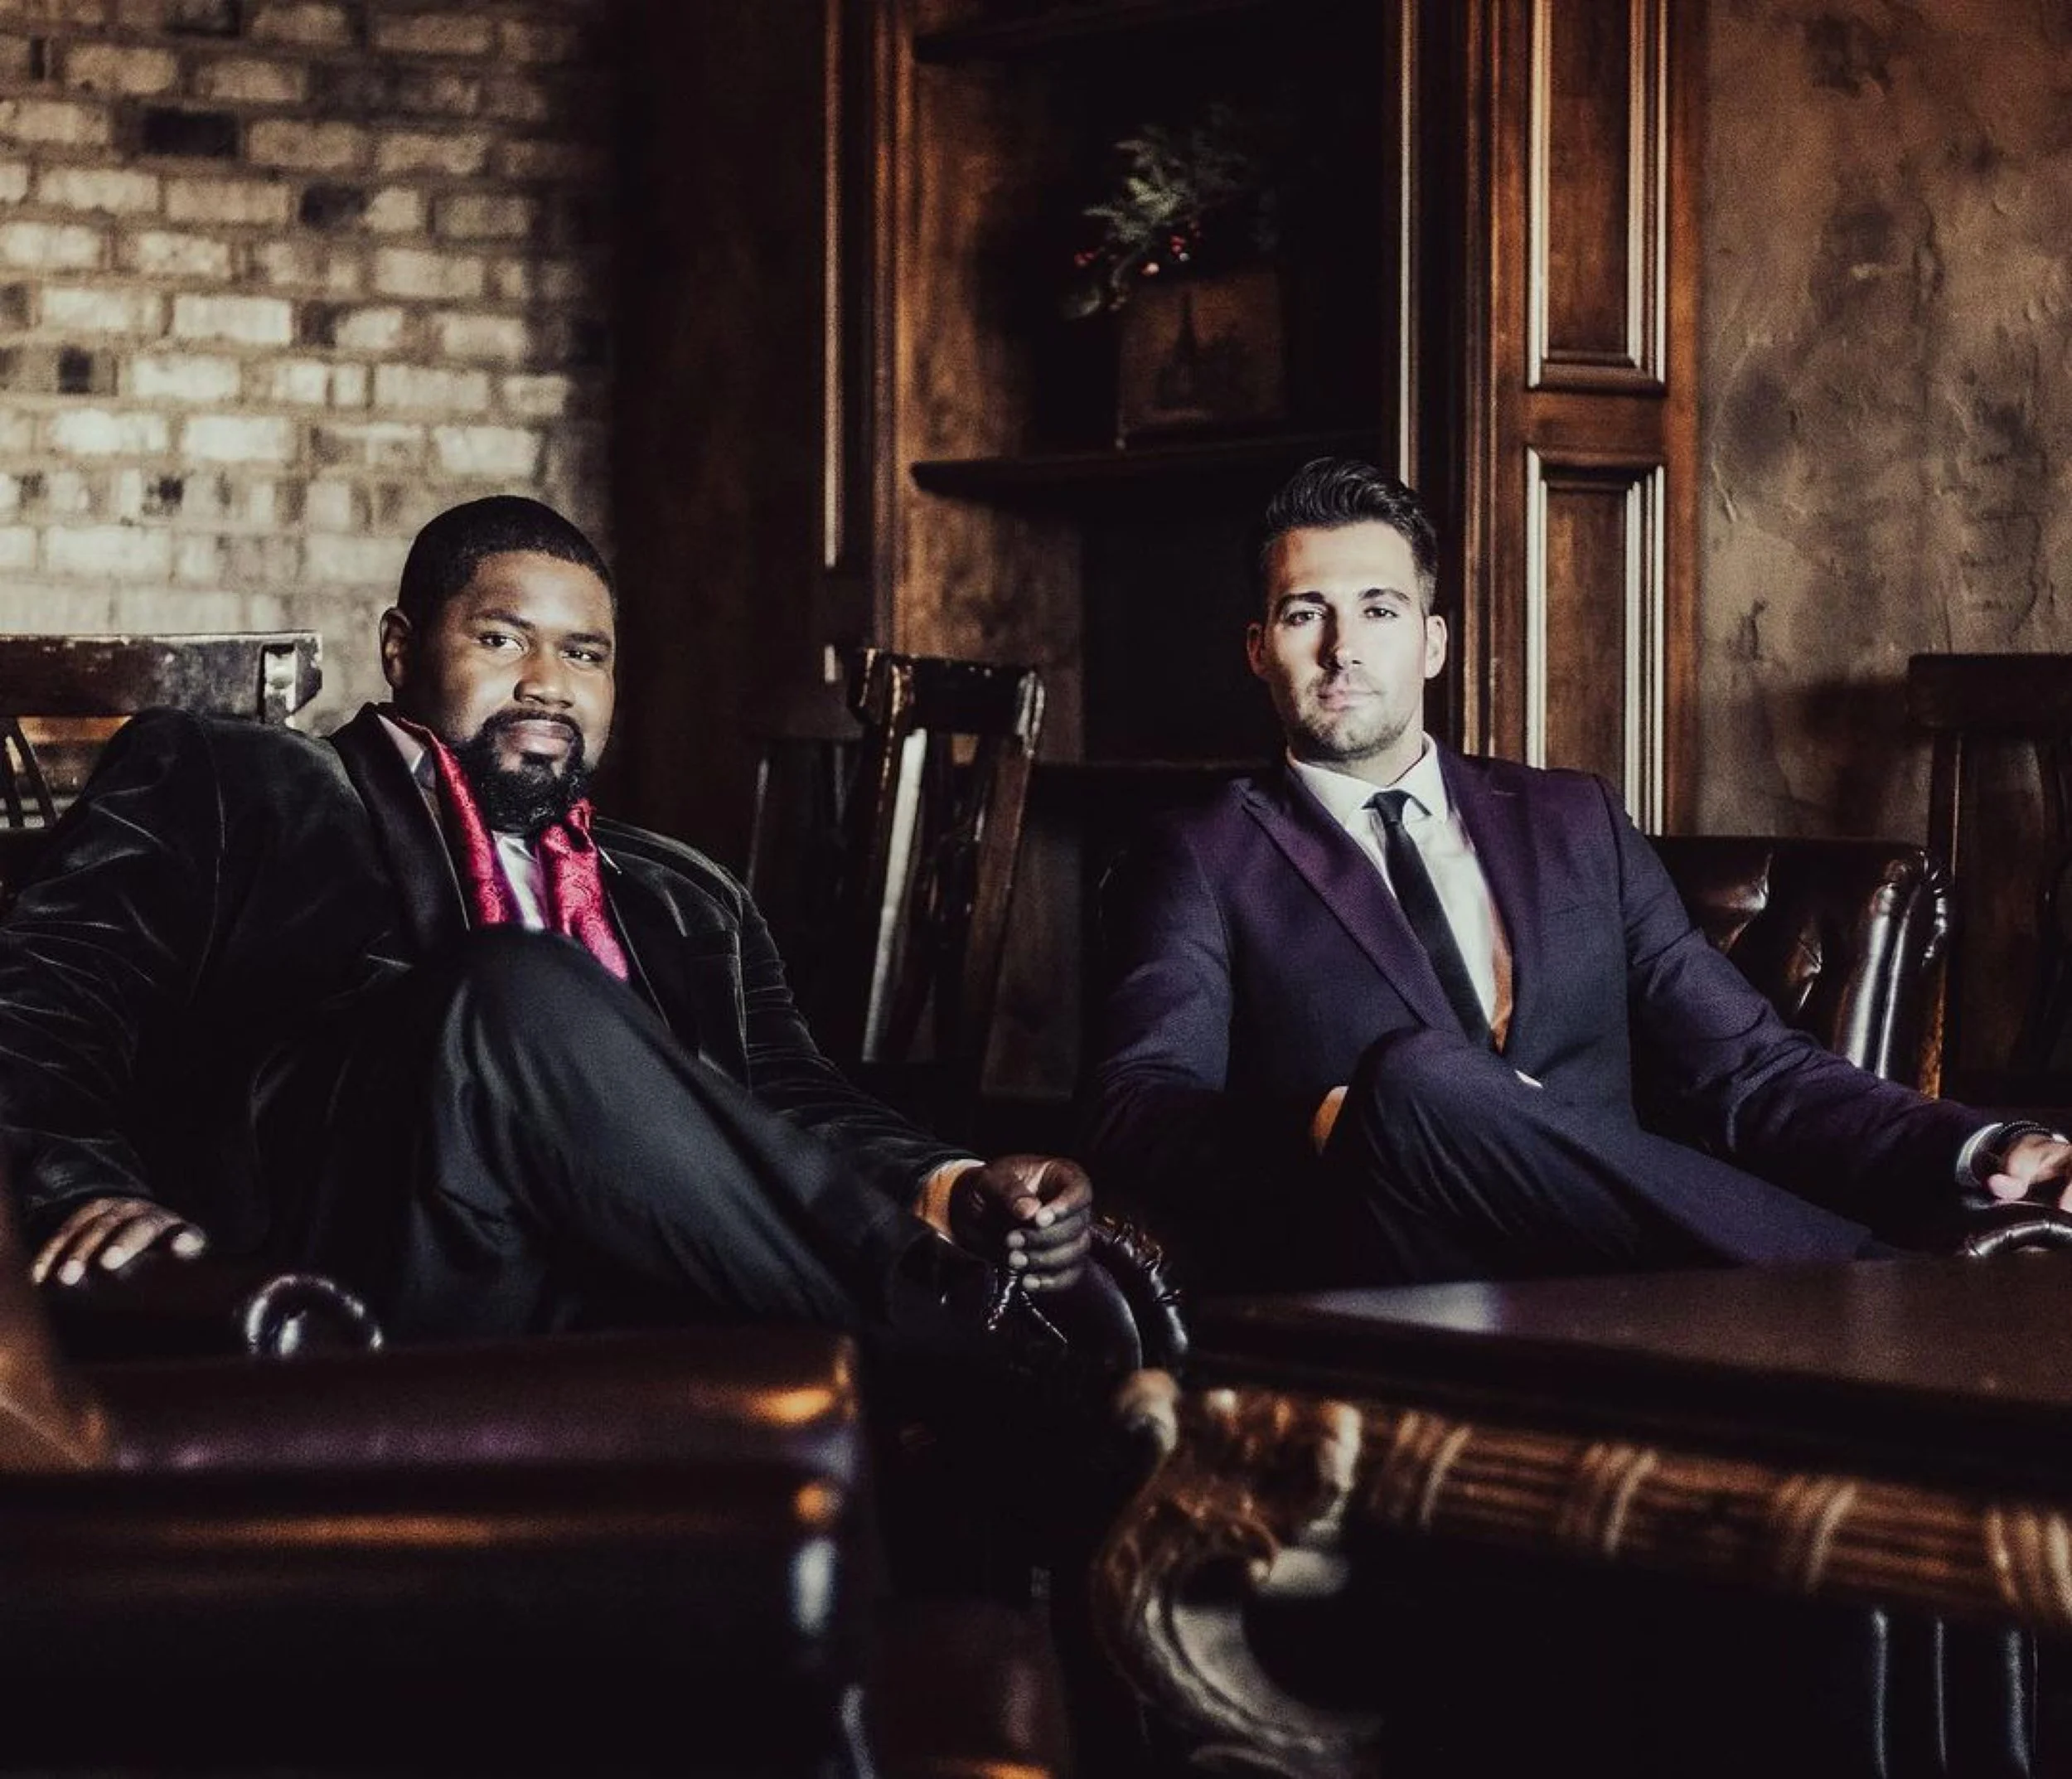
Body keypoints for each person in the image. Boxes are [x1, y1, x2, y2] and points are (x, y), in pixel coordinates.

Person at [2, 496, 1092, 1351]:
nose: (548, 684)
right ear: (401, 649)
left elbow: (786, 1099)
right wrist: (83, 1190)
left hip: (624, 1289)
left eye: (584, 654)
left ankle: (947, 1316)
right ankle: (970, 1332)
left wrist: (952, 1184)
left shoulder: (687, 894)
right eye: (501, 639)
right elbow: (42, 1012)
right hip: (357, 1258)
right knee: (506, 990)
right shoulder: (232, 784)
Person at [1087, 456, 2072, 1289]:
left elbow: (1749, 1069)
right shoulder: (1200, 852)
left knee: (1420, 1076)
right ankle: (1875, 1286)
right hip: (1396, 1271)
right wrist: (1319, 1124)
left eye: (1378, 609)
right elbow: (1136, 1103)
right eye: (1306, 613)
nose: (1343, 649)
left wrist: (1982, 1146)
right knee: (1411, 1078)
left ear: (1431, 642)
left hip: (1608, 1285)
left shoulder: (1571, 821)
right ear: (1258, 651)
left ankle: (1848, 1287)